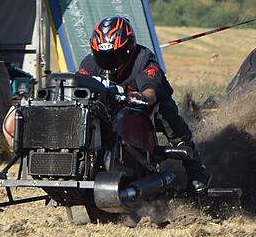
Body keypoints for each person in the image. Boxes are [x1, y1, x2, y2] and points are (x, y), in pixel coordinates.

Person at [78, 16, 209, 195]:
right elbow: (81, 84)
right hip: (106, 111)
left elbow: (151, 88)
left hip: (142, 108)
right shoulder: (88, 64)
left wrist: (140, 96)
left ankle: (195, 168)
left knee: (166, 112)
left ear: (128, 48)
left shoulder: (143, 58)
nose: (108, 61)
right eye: (102, 56)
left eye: (113, 55)